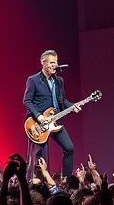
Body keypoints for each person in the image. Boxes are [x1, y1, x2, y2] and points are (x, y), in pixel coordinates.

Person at [22, 49, 79, 178]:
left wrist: (73, 106)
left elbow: (62, 101)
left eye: (56, 62)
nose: (55, 65)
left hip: (53, 121)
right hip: (38, 124)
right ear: (43, 63)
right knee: (43, 159)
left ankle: (67, 180)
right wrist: (39, 116)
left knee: (69, 147)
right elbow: (27, 101)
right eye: (52, 62)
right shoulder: (33, 80)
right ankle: (38, 185)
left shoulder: (59, 81)